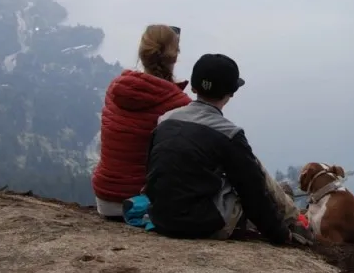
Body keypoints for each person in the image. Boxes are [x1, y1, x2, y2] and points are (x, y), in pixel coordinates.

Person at [144, 53, 314, 245]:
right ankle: (295, 220)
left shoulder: (165, 120)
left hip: (161, 219)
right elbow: (254, 197)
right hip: (202, 225)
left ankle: (291, 216)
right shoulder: (229, 134)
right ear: (231, 93)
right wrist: (282, 236)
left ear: (193, 87)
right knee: (252, 170)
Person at [91, 24, 192, 220]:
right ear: (175, 56)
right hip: (141, 203)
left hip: (105, 199)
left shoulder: (116, 88)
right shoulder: (178, 104)